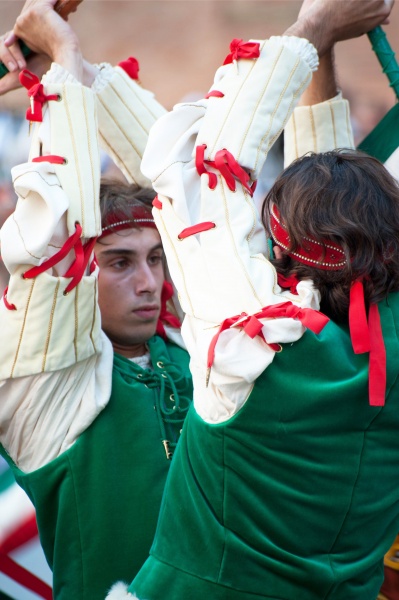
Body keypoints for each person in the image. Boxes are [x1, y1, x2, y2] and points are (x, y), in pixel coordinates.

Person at [98, 0, 399, 598]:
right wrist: (322, 49)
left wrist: (312, 28)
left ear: (279, 247)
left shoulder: (248, 335)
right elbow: (343, 227)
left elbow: (197, 165)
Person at [0, 2, 192, 599]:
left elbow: (189, 196)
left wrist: (88, 74)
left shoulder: (197, 348)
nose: (149, 281)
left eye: (155, 259)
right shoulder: (49, 385)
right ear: (84, 272)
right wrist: (62, 59)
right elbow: (58, 239)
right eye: (119, 262)